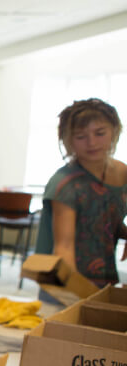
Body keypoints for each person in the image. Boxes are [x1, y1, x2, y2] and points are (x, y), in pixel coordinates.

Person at [35, 98, 127, 287]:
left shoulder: (123, 173)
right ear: (67, 140)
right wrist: (75, 292)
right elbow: (64, 247)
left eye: (100, 133)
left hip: (105, 277)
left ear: (114, 132)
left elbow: (107, 221)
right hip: (66, 279)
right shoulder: (66, 184)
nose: (91, 143)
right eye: (80, 136)